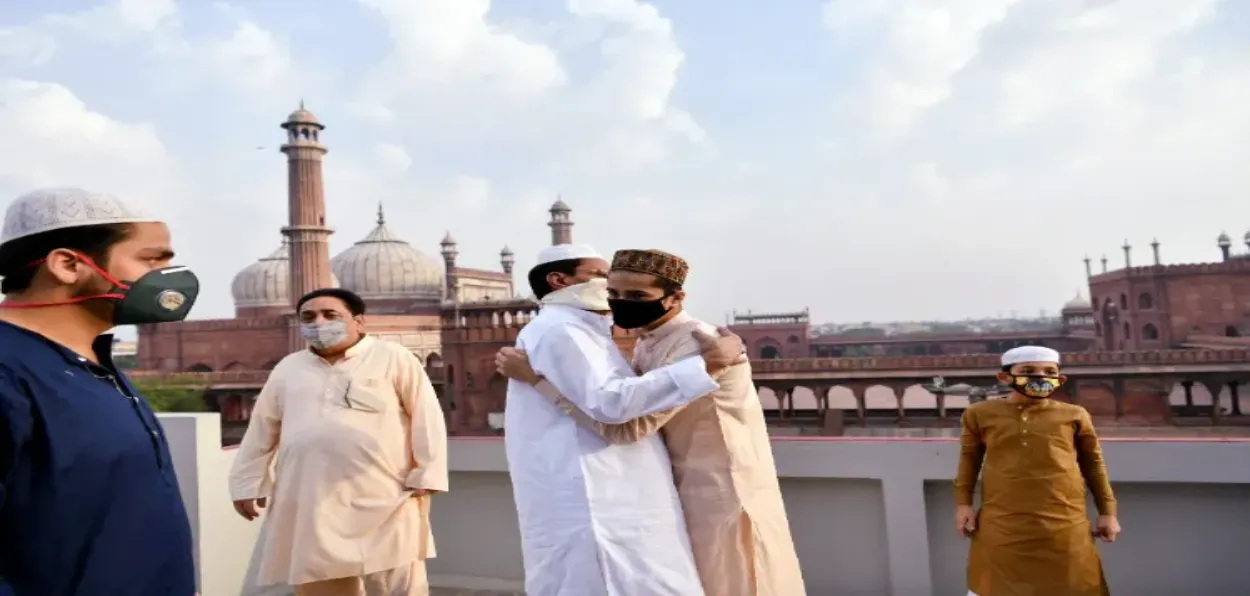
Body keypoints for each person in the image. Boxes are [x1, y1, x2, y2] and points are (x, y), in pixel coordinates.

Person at [497, 248, 806, 596]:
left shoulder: (699, 343)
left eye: (637, 296)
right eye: (614, 292)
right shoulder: (645, 341)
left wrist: (537, 381)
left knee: (736, 582)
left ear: (675, 298)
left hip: (720, 486)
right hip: (686, 484)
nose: (619, 302)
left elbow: (628, 426)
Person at [0, 188, 199, 595]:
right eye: (151, 259)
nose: (168, 276)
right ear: (69, 265)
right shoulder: (9, 369)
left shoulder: (94, 364)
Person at [229, 287, 447, 596]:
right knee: (320, 582)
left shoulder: (392, 357)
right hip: (310, 498)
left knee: (396, 587)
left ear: (359, 322)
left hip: (385, 494)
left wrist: (428, 472)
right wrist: (247, 484)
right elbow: (262, 429)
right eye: (309, 317)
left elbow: (427, 415)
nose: (318, 322)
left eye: (330, 315)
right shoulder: (289, 367)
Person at [954, 345, 1120, 596]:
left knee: (1076, 585)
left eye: (1049, 372)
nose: (1040, 377)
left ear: (1060, 379)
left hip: (1065, 522)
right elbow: (969, 460)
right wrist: (963, 504)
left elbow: (1093, 465)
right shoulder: (979, 414)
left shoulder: (1074, 415)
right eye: (1028, 371)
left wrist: (1108, 512)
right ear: (1005, 377)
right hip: (1002, 523)